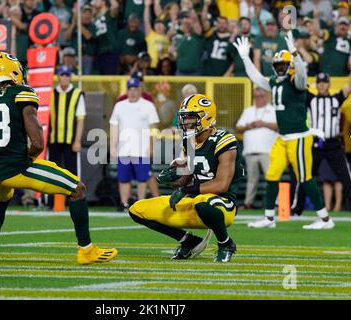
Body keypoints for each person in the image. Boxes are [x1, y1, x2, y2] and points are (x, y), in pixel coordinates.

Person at [0, 52, 117, 265]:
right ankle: (86, 250)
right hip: (16, 167)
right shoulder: (20, 93)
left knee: (0, 200)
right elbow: (39, 143)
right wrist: (29, 158)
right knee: (77, 189)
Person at [234, 31, 335, 229]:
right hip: (283, 137)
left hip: (298, 137)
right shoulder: (275, 83)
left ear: (289, 66)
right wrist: (245, 57)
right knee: (272, 175)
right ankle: (269, 218)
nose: (280, 69)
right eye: (277, 66)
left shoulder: (295, 81)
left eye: (283, 65)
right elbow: (256, 77)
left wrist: (295, 54)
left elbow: (302, 74)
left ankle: (325, 219)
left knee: (305, 178)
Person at [129, 94, 244, 263]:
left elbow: (221, 184)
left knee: (202, 203)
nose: (186, 122)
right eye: (184, 117)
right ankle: (188, 241)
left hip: (221, 205)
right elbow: (187, 178)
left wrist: (186, 190)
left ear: (207, 118)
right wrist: (171, 178)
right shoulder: (189, 140)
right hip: (195, 200)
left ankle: (225, 243)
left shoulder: (224, 140)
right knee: (137, 210)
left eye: (191, 117)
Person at [292, 70, 351, 217]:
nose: (322, 85)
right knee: (305, 176)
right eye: (319, 83)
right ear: (316, 85)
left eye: (324, 82)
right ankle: (296, 209)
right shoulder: (310, 98)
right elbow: (297, 88)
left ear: (329, 84)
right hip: (316, 144)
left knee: (345, 177)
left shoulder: (336, 99)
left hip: (334, 144)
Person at [110, 78, 159, 212]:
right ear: (127, 90)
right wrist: (113, 146)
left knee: (142, 179)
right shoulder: (120, 105)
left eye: (135, 89)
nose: (132, 92)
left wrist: (151, 145)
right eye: (130, 89)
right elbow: (114, 126)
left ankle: (140, 203)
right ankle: (124, 204)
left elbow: (153, 127)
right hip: (124, 149)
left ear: (140, 90)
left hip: (141, 149)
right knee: (124, 178)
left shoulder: (148, 105)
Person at [236, 87, 278, 210]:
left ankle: (276, 203)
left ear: (266, 96)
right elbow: (238, 127)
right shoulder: (248, 111)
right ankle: (248, 203)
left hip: (268, 151)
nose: (258, 99)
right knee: (251, 180)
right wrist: (249, 126)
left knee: (272, 177)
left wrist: (263, 124)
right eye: (256, 96)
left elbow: (279, 125)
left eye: (261, 96)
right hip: (250, 151)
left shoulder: (272, 110)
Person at [48, 65, 85, 180]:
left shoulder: (77, 94)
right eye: (62, 75)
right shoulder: (51, 94)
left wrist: (77, 141)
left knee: (72, 172)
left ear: (70, 77)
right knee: (52, 171)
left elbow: (80, 119)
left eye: (67, 75)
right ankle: (51, 197)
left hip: (71, 140)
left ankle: (73, 197)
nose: (64, 78)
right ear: (58, 77)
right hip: (53, 139)